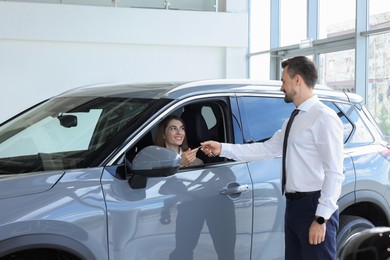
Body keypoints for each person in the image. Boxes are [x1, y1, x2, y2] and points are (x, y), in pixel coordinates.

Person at [201, 56, 345, 260]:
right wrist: (222, 148)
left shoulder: (324, 117)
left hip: (314, 206)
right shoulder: (293, 120)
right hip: (293, 206)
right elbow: (266, 149)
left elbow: (335, 172)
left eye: (283, 81)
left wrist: (321, 218)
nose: (281, 88)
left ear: (297, 80)